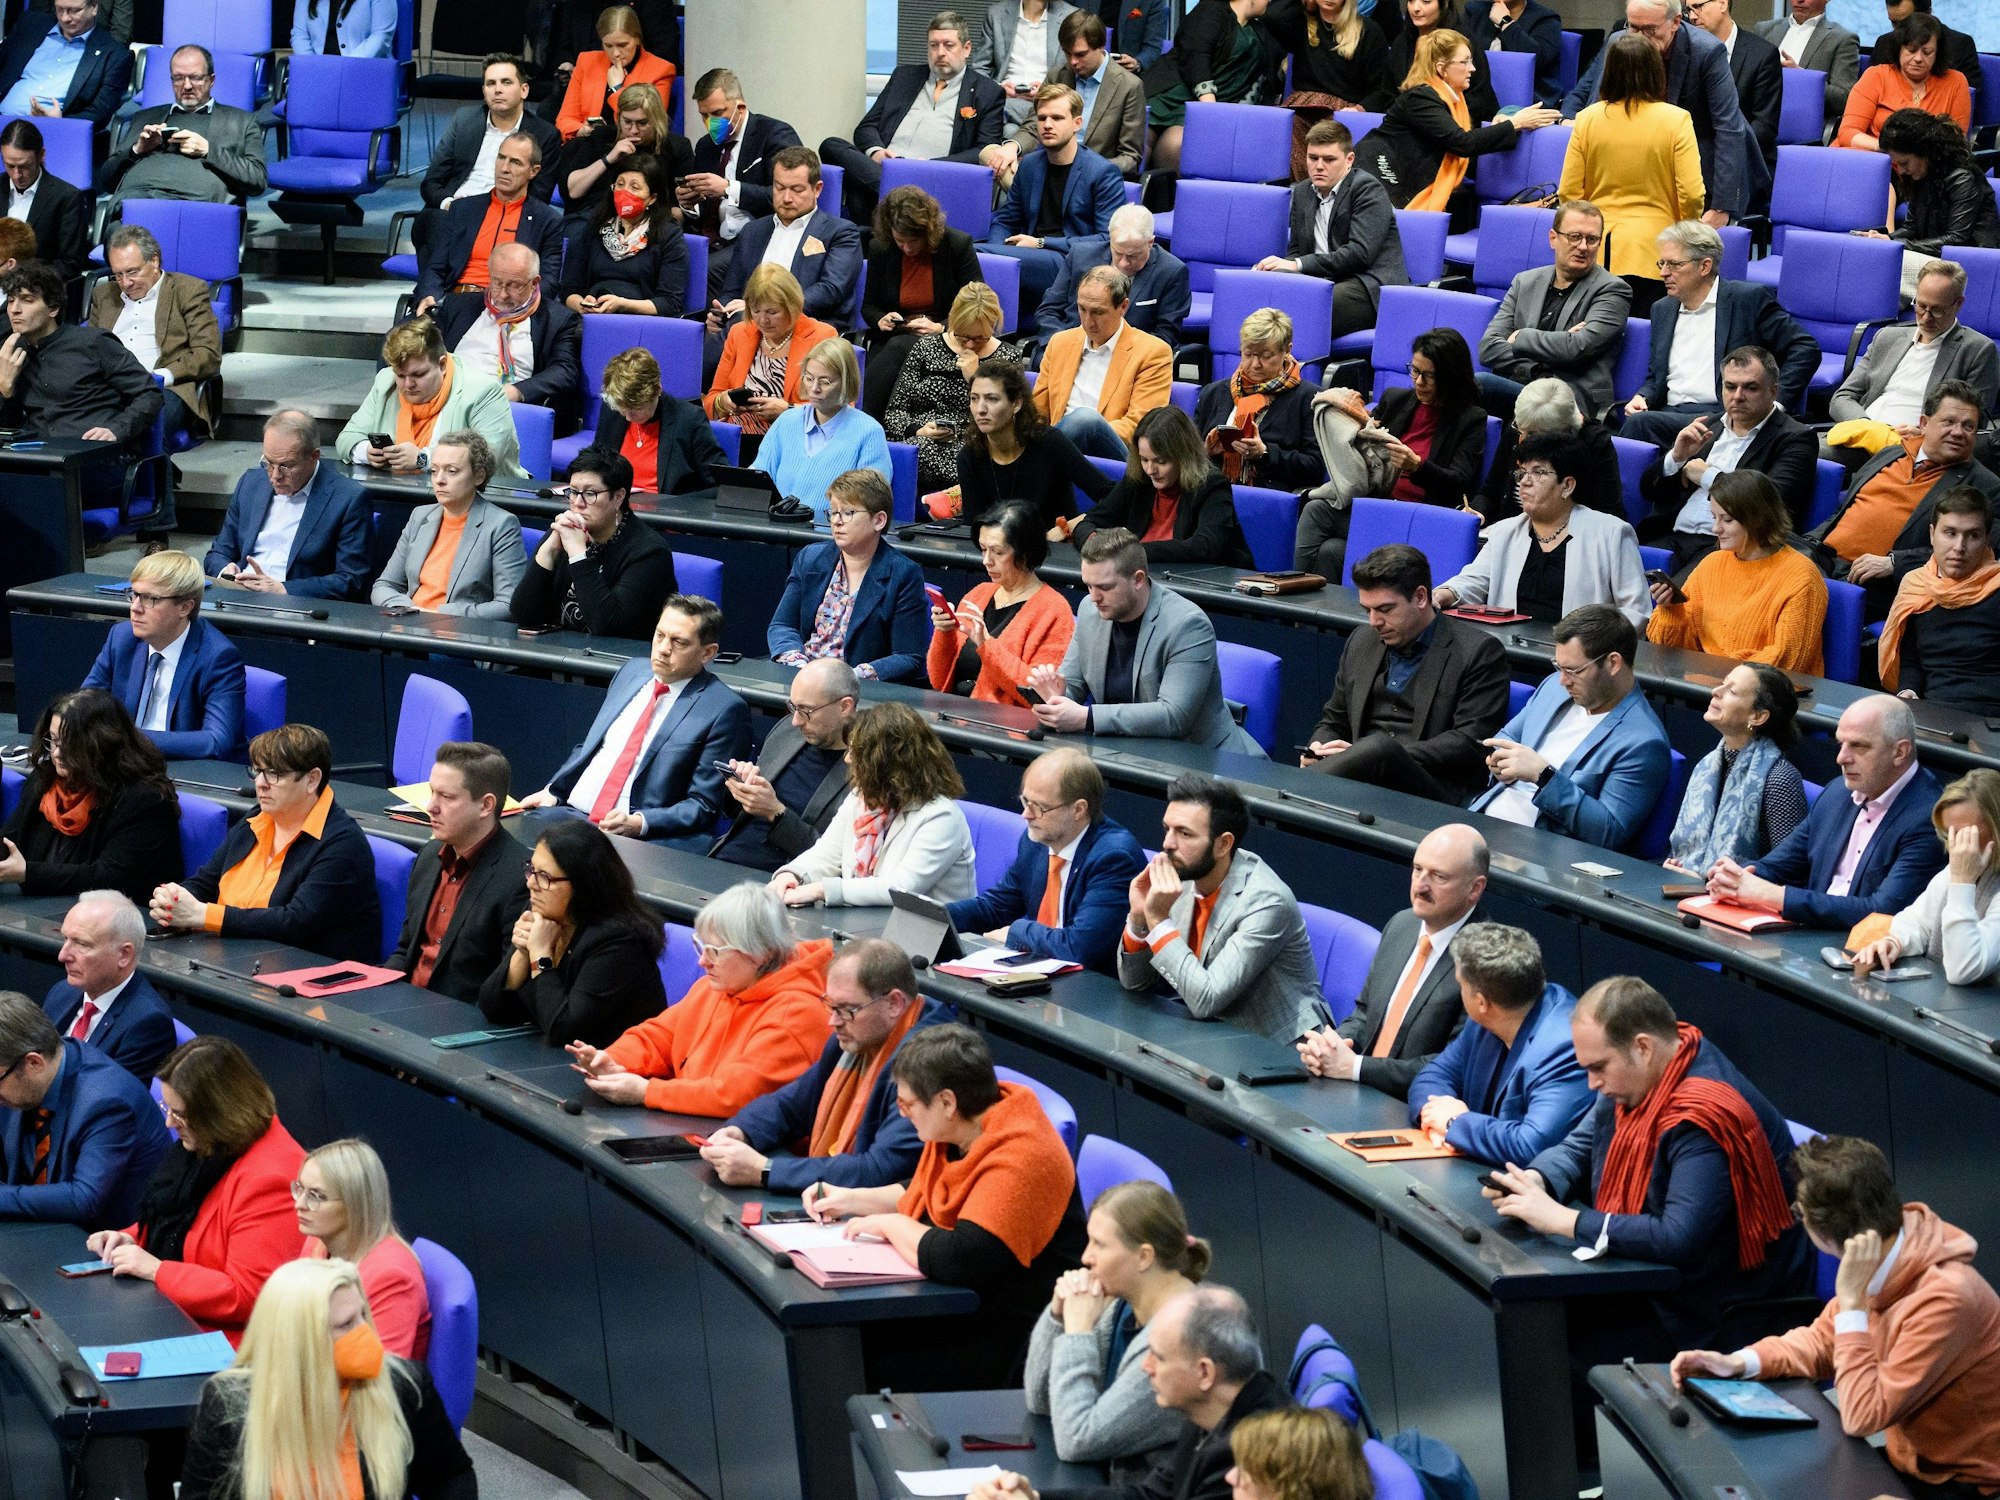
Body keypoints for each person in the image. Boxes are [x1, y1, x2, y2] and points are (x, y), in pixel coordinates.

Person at [1487, 977, 1816, 1354]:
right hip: (1666, 1283)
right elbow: (1582, 1144)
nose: (1592, 1083)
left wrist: (1564, 1220)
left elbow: (1677, 1236)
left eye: (1598, 1068)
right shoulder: (1650, 1070)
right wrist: (1535, 1179)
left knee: (1551, 1339)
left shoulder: (1703, 1118)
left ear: (1642, 1047)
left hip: (1722, 1310)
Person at [1672, 1134, 2000, 1496]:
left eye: (1799, 1213)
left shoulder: (1945, 1297)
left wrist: (1852, 1305)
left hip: (1969, 1482)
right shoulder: (1887, 1252)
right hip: (1914, 1461)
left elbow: (1862, 1416)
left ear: (1826, 1233)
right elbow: (1820, 1341)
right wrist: (1737, 1363)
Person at [806, 1023, 1085, 1388]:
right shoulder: (966, 1126)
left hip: (1010, 1337)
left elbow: (961, 1258)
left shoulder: (1025, 1154)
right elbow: (925, 1192)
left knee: (853, 1359)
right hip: (966, 1306)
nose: (902, 1114)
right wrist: (854, 1199)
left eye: (907, 1104)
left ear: (947, 1102)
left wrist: (892, 1225)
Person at [176, 1259, 473, 1500]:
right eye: (346, 1324)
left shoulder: (404, 1387)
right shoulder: (229, 1406)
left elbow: (451, 1477)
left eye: (363, 1316)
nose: (364, 1332)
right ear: (301, 1341)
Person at [968, 1284, 1289, 1500]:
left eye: (1159, 1357)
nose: (1145, 1367)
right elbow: (1144, 1497)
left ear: (1204, 1372)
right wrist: (1033, 1495)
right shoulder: (1209, 1413)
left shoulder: (1244, 1455)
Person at [89, 1037, 307, 1340]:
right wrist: (130, 1237)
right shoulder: (209, 1144)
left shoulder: (271, 1179)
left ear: (217, 1111)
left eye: (178, 1113)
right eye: (167, 1107)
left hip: (230, 1346)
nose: (168, 1122)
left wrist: (156, 1270)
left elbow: (250, 1295)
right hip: (176, 1317)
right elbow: (183, 1219)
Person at [704, 937, 950, 1189]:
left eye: (847, 1009)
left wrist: (764, 1170)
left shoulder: (933, 1063)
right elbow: (791, 1105)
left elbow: (880, 1170)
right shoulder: (852, 1039)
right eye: (830, 1005)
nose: (833, 1021)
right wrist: (741, 1131)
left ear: (894, 1003)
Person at [568, 880, 830, 1116]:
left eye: (715, 952)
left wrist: (647, 1092)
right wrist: (614, 1060)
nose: (703, 961)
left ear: (760, 953)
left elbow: (736, 1095)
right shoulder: (717, 987)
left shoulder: (796, 1015)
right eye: (701, 946)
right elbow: (658, 1036)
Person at [521, 594, 751, 843]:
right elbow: (591, 748)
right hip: (569, 814)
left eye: (679, 642)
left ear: (708, 653)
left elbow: (703, 805)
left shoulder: (724, 709)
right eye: (659, 635)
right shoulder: (631, 672)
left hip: (640, 834)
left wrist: (639, 823)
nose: (663, 649)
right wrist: (553, 790)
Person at [1705, 693, 1945, 929]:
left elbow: (1882, 911)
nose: (1841, 758)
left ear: (1900, 752)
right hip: (1812, 935)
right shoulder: (1837, 792)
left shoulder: (1930, 818)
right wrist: (1734, 876)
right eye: (1840, 744)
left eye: (1859, 746)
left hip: (1868, 952)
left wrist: (1774, 896)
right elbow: (1779, 865)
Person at [1119, 773, 1325, 1042]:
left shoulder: (1266, 902)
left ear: (1223, 844)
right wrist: (1139, 919)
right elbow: (1134, 982)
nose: (1167, 844)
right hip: (1209, 1032)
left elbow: (1206, 999)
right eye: (1167, 828)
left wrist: (1158, 920)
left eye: (1184, 833)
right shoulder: (1181, 877)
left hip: (1275, 1048)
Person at [1025, 1181, 1209, 1480]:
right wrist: (1058, 1315)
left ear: (1144, 1257)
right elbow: (1041, 1401)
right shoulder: (1120, 1307)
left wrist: (1077, 1334)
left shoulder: (1178, 1340)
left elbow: (1077, 1440)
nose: (1085, 1257)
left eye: (1099, 1244)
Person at [149, 724, 380, 960]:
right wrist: (175, 900)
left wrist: (203, 914)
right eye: (257, 771)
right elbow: (206, 882)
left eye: (274, 773)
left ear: (312, 780)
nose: (260, 783)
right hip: (235, 957)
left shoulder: (343, 844)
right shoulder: (255, 818)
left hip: (305, 977)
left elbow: (294, 923)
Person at [1302, 544, 1511, 802]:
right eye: (1367, 610)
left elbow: (1469, 743)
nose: (1374, 622)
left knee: (1378, 748)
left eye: (1385, 609)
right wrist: (1319, 748)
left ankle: (1298, 790)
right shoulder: (1362, 640)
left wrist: (1374, 756)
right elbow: (1334, 720)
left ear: (1421, 597)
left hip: (1432, 789)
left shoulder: (1479, 652)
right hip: (1358, 781)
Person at [1298, 823, 1491, 1094]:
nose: (1421, 886)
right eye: (1417, 869)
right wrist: (1334, 1047)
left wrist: (1355, 1068)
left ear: (1475, 889)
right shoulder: (1402, 925)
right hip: (1357, 1090)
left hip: (1414, 1108)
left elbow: (1454, 1067)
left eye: (1439, 877)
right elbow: (1365, 1013)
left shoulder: (1486, 961)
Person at [1029, 528, 1262, 752]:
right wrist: (1055, 699)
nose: (1094, 597)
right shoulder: (1090, 612)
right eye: (1088, 585)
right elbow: (1072, 687)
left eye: (1105, 587)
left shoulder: (1188, 625)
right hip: (1128, 751)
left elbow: (1173, 717)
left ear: (1138, 579)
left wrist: (1087, 717)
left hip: (1201, 761)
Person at [1469, 603, 1673, 851]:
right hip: (1484, 823)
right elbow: (1507, 737)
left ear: (1613, 663)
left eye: (1573, 670)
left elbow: (1608, 831)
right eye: (1559, 667)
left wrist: (1543, 776)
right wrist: (1499, 762)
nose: (1563, 679)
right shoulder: (1554, 687)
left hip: (1541, 855)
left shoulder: (1644, 741)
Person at [1298, 327, 1489, 579]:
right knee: (1320, 519)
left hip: (1417, 517)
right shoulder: (1395, 399)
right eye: (1415, 371)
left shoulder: (1470, 419)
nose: (1419, 382)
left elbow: (1459, 481)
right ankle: (1295, 599)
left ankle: (1297, 600)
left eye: (1429, 376)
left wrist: (1417, 466)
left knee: (1332, 550)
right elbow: (1364, 446)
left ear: (1450, 377)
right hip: (1377, 506)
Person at [1805, 380, 2000, 617]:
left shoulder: (1985, 486)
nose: (1958, 432)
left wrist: (1895, 562)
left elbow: (1977, 554)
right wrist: (1811, 543)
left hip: (1874, 582)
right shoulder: (1892, 453)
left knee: (1794, 596)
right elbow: (1844, 511)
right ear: (1924, 424)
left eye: (1968, 426)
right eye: (1949, 422)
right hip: (1822, 558)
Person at [1621, 220, 1820, 447]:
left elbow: (1805, 348)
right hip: (1669, 412)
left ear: (1704, 266)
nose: (1663, 273)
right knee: (1637, 423)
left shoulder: (1748, 300)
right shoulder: (1662, 309)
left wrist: (1775, 404)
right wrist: (1643, 397)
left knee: (1640, 426)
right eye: (1662, 263)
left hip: (1724, 413)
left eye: (1674, 264)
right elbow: (1656, 377)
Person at [1407, 923, 1591, 1167]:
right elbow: (1433, 1075)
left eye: (1461, 985)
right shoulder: (1488, 1019)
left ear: (1481, 1002)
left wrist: (1454, 1123)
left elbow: (1532, 1146)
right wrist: (1435, 1119)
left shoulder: (1566, 1047)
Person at [1562, 0, 1757, 228]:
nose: (1639, 38)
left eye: (1649, 30)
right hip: (1638, 169)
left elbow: (1728, 127)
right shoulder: (1619, 41)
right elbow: (1601, 107)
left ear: (1675, 22)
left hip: (1702, 168)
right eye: (1633, 27)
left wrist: (1722, 207)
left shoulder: (1707, 50)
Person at [948, 747, 1146, 969]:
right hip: (1039, 968)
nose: (1026, 815)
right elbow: (997, 906)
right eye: (1025, 802)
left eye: (1040, 807)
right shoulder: (1036, 840)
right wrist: (940, 915)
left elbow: (1079, 949)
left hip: (1089, 988)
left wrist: (1018, 930)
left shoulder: (1113, 857)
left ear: (1078, 809)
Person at [476, 819, 667, 1045]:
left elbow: (565, 1031)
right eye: (531, 870)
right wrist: (522, 953)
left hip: (617, 1070)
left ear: (583, 885)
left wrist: (540, 956)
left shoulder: (619, 942)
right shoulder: (544, 913)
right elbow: (490, 1007)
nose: (531, 884)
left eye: (545, 877)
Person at [772, 702, 978, 908]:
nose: (847, 759)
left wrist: (820, 890)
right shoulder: (861, 798)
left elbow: (902, 888)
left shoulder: (941, 817)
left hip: (930, 934)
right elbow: (826, 853)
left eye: (856, 752)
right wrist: (793, 875)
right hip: (869, 923)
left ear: (888, 763)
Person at [1435, 433, 1652, 624]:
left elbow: (1636, 613)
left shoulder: (1612, 534)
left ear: (1567, 485)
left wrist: (1590, 644)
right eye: (1522, 473)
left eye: (1538, 472)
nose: (1524, 482)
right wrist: (1445, 594)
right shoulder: (1505, 531)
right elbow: (1474, 580)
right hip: (1507, 652)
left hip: (1579, 661)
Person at [1557, 33, 1705, 312]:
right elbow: (1692, 194)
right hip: (1657, 252)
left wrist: (1580, 237)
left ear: (1609, 70)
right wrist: (1685, 233)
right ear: (1655, 70)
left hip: (1596, 252)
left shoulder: (1587, 118)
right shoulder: (1676, 119)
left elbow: (1569, 191)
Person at [0, 989, 170, 1228]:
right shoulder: (16, 1077)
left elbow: (84, 1199)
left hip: (102, 1243)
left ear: (33, 1063)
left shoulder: (108, 1101)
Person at [818, 10, 1008, 222]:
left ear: (966, 49)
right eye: (933, 45)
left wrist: (928, 166)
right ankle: (893, 188)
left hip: (932, 179)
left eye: (948, 45)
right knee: (830, 145)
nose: (940, 52)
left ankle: (891, 192)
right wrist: (877, 152)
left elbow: (984, 150)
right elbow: (866, 128)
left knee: (862, 188)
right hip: (885, 167)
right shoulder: (904, 77)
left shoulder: (987, 92)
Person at [1641, 345, 1823, 566]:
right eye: (1730, 386)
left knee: (1678, 598)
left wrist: (1708, 476)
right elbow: (1649, 491)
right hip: (1671, 536)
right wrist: (1676, 458)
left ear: (1773, 392)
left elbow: (1771, 503)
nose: (1737, 397)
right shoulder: (1708, 425)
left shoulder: (1796, 438)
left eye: (1750, 388)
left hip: (1731, 549)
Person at [0, 689, 180, 906]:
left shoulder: (144, 800)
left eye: (71, 745)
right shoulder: (45, 778)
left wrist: (27, 873)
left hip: (115, 916)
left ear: (102, 745)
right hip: (45, 906)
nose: (57, 753)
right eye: (54, 741)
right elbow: (11, 838)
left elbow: (110, 877)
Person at [1354, 30, 1562, 212]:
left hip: (1400, 185)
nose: (1472, 68)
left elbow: (1463, 143)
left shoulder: (1452, 100)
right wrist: (1514, 123)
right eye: (1464, 62)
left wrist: (1500, 126)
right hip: (1377, 183)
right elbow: (1461, 142)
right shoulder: (1420, 98)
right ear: (1441, 68)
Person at [389, 742, 530, 1005]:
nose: (431, 806)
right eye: (432, 793)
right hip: (406, 1007)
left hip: (461, 1024)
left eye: (447, 797)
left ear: (486, 805)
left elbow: (507, 988)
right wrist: (371, 991)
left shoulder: (519, 877)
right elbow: (406, 950)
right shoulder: (430, 856)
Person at [1648, 470, 1829, 670]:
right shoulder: (1712, 564)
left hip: (1762, 695)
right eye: (1714, 517)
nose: (1716, 528)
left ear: (1758, 519)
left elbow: (1787, 662)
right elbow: (1670, 651)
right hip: (1703, 687)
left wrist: (1719, 672)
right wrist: (1671, 609)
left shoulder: (1802, 577)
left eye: (1727, 520)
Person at [768, 468, 932, 683]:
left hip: (858, 689)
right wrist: (797, 663)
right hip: (803, 676)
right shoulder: (811, 558)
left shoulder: (903, 574)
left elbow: (909, 656)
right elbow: (782, 626)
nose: (837, 521)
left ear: (879, 520)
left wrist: (850, 677)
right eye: (834, 512)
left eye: (848, 513)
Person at [1253, 122, 1407, 347]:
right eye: (1313, 158)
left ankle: (1296, 372)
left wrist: (1296, 265)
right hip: (1322, 281)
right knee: (1261, 291)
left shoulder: (1367, 190)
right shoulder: (1304, 191)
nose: (1319, 166)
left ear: (1350, 159)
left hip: (1367, 285)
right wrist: (1276, 270)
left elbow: (1359, 254)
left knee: (1307, 306)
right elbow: (1296, 250)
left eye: (1329, 159)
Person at [82, 549, 246, 760]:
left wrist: (127, 738)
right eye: (134, 594)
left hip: (183, 771)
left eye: (150, 599)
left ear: (185, 608)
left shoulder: (218, 657)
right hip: (127, 766)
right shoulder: (121, 639)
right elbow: (85, 707)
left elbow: (217, 741)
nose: (135, 608)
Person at [1478, 200, 1634, 414]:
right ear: (1553, 238)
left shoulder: (1612, 290)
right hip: (1522, 384)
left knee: (1480, 385)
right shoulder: (1525, 282)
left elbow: (1576, 348)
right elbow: (1488, 348)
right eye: (1574, 237)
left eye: (1592, 239)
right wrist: (1539, 365)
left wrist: (1521, 336)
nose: (1583, 247)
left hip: (1568, 399)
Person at [985, 83, 1127, 313]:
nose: (1047, 125)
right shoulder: (1030, 165)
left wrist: (1041, 243)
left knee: (966, 253)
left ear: (1076, 124)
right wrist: (997, 254)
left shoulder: (1101, 172)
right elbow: (1005, 220)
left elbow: (1105, 240)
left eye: (1057, 118)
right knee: (972, 253)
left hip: (1069, 262)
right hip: (1027, 256)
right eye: (1042, 118)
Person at [708, 146, 862, 357]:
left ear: (817, 189)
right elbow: (732, 290)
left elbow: (831, 290)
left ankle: (687, 387)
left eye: (796, 189)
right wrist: (722, 310)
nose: (786, 198)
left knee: (738, 329)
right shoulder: (753, 231)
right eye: (779, 188)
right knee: (725, 327)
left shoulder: (840, 232)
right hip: (748, 326)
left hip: (808, 326)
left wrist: (766, 309)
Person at [88, 223, 221, 466]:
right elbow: (89, 349)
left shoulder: (188, 290)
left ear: (155, 261)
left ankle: (157, 501)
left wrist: (160, 376)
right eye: (118, 274)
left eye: (133, 272)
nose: (125, 282)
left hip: (165, 389)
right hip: (109, 388)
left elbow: (207, 354)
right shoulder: (103, 295)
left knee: (148, 425)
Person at [511, 447, 679, 637]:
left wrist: (578, 555)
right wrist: (548, 551)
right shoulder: (565, 533)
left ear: (618, 497)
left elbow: (607, 626)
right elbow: (522, 614)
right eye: (573, 492)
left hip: (615, 661)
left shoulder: (650, 552)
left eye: (590, 494)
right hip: (556, 653)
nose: (578, 503)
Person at [711, 659, 861, 872]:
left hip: (785, 878)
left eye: (806, 710)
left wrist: (776, 812)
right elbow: (736, 815)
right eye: (793, 707)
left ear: (844, 706)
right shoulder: (787, 732)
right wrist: (743, 788)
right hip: (723, 858)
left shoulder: (866, 766)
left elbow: (838, 861)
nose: (795, 721)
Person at [205, 411, 372, 601]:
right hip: (236, 594)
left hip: (293, 607)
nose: (275, 475)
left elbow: (351, 580)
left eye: (286, 466)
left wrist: (283, 589)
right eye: (268, 462)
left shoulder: (348, 498)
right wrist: (226, 571)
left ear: (314, 456)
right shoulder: (251, 483)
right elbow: (218, 552)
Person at [1854, 769, 2000, 985]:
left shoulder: (1963, 873)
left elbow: (1963, 968)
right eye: (1948, 834)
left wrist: (1962, 884)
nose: (1954, 846)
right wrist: (1894, 942)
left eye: (1966, 835)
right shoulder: (1960, 870)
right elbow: (1918, 922)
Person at [0, 260, 162, 455]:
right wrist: (6, 391)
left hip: (93, 453)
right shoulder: (10, 355)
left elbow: (149, 394)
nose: (14, 309)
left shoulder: (94, 343)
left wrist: (116, 430)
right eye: (10, 300)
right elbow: (8, 428)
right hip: (39, 456)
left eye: (27, 300)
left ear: (53, 309)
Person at [1664, 662, 1809, 876]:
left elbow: (1790, 871)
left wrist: (1708, 882)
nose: (1716, 691)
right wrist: (1676, 867)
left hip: (1744, 899)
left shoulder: (1780, 779)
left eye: (1731, 691)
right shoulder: (1707, 765)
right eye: (1723, 684)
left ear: (1757, 716)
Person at [336, 317, 527, 479]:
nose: (408, 384)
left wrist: (424, 459)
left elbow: (486, 459)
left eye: (418, 375)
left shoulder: (482, 391)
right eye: (400, 375)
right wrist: (366, 451)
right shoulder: (386, 382)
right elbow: (346, 438)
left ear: (442, 365)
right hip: (403, 494)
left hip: (480, 503)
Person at [293, 1138, 431, 1360]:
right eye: (299, 1189)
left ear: (354, 1204)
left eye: (316, 1196)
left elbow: (379, 1377)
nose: (299, 1204)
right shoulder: (318, 1242)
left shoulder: (392, 1277)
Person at [415, 53, 561, 261]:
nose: (497, 89)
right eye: (490, 83)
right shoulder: (464, 121)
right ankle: (435, 292)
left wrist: (489, 211)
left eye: (506, 82)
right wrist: (449, 203)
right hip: (453, 211)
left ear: (524, 90)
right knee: (431, 222)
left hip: (506, 215)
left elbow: (539, 196)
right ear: (484, 90)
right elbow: (431, 183)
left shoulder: (545, 135)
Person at [1830, 260, 2000, 437]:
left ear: (1958, 304)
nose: (1926, 318)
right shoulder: (1887, 337)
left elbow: (1973, 424)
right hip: (1862, 434)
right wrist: (1867, 428)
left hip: (1913, 447)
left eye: (1937, 310)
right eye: (1920, 306)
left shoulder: (1978, 351)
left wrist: (1922, 435)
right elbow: (1842, 397)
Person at [928, 500, 1075, 705]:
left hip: (1002, 728)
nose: (986, 560)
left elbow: (1038, 694)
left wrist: (986, 645)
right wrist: (944, 633)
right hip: (953, 713)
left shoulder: (1054, 610)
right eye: (983, 549)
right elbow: (939, 682)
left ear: (1025, 554)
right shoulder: (978, 594)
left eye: (997, 552)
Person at [1070, 405, 1254, 568]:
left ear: (1183, 457)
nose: (1150, 470)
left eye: (1161, 461)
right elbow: (1088, 522)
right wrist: (1096, 543)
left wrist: (1132, 551)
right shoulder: (1139, 479)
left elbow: (1205, 546)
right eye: (1144, 460)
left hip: (1206, 584)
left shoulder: (1211, 484)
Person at [370, 430, 527, 619]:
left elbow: (508, 605)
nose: (439, 480)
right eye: (434, 470)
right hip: (408, 626)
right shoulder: (420, 516)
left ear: (479, 476)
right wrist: (407, 608)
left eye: (452, 471)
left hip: (458, 635)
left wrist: (440, 614)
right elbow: (384, 586)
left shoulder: (501, 525)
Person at [886, 282, 1025, 492]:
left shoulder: (1006, 358)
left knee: (967, 461)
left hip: (975, 444)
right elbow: (895, 412)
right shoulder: (926, 348)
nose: (969, 345)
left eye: (979, 338)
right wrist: (918, 430)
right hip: (920, 440)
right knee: (902, 453)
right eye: (962, 336)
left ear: (993, 325)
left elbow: (1011, 422)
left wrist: (975, 379)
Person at [860, 185, 985, 417]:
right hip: (893, 337)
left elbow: (977, 307)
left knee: (897, 351)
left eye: (912, 241)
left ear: (927, 231)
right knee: (894, 350)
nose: (906, 248)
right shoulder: (881, 248)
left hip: (948, 340)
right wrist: (881, 319)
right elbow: (869, 306)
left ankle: (862, 418)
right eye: (900, 241)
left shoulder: (957, 245)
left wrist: (943, 327)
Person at [430, 241, 584, 426]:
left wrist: (515, 391)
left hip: (506, 410)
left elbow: (564, 371)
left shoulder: (558, 319)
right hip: (448, 396)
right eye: (496, 282)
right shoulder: (458, 306)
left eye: (514, 285)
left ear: (534, 283)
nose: (502, 295)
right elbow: (429, 352)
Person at [678, 67, 804, 295]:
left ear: (740, 108)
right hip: (713, 238)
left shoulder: (774, 135)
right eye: (704, 115)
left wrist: (728, 189)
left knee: (703, 271)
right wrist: (690, 204)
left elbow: (787, 198)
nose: (710, 122)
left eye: (717, 113)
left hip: (758, 237)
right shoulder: (706, 146)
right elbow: (705, 207)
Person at [984, 10, 1146, 186]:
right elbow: (1033, 125)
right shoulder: (1057, 76)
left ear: (1100, 46)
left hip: (1093, 180)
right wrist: (1012, 146)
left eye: (1080, 54)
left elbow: (1130, 158)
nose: (1072, 62)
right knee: (993, 157)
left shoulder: (1129, 86)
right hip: (1051, 169)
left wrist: (1091, 168)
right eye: (1067, 54)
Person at [413, 129, 564, 314]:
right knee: (401, 339)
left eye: (515, 162)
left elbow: (548, 281)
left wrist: (519, 305)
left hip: (510, 307)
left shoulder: (547, 221)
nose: (504, 168)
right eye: (501, 158)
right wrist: (430, 295)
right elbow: (436, 267)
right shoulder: (463, 209)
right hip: (456, 300)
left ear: (533, 171)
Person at [1032, 264, 1173, 460]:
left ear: (1123, 307)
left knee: (1085, 420)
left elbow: (1140, 425)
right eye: (1082, 309)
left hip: (1113, 453)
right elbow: (1037, 411)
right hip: (1060, 448)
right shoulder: (1060, 343)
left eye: (1098, 312)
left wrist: (1086, 429)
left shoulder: (1153, 353)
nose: (1088, 321)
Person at [1879, 487, 2000, 716]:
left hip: (1991, 720)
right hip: (1933, 715)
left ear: (1987, 540)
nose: (1959, 547)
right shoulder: (1917, 587)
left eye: (1972, 535)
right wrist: (1908, 690)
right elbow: (1911, 657)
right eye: (1950, 533)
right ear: (1932, 534)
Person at [98, 44, 265, 208]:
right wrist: (136, 150)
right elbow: (107, 181)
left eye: (195, 77)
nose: (187, 86)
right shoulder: (145, 118)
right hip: (136, 202)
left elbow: (257, 180)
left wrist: (208, 150)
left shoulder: (241, 121)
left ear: (211, 80)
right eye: (178, 78)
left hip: (195, 208)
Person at [956, 359, 1112, 533]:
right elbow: (972, 526)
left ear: (1016, 404)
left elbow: (1111, 497)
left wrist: (1070, 527)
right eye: (974, 399)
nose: (980, 409)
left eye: (992, 399)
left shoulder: (1051, 443)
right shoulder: (969, 455)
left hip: (1053, 551)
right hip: (998, 553)